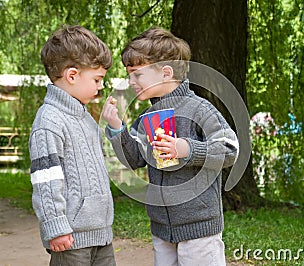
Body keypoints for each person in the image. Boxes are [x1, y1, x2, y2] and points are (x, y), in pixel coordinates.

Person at [102, 27, 239, 266]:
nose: (130, 81)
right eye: (129, 74)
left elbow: (229, 150)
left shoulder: (200, 109)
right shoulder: (147, 118)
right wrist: (117, 128)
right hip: (162, 228)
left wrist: (186, 149)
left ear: (165, 73)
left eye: (137, 74)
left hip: (199, 228)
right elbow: (134, 158)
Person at [29, 25, 116, 266]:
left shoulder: (85, 117)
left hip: (101, 234)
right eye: (97, 79)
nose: (101, 86)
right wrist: (55, 226)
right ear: (72, 75)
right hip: (70, 239)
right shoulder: (49, 120)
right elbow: (46, 179)